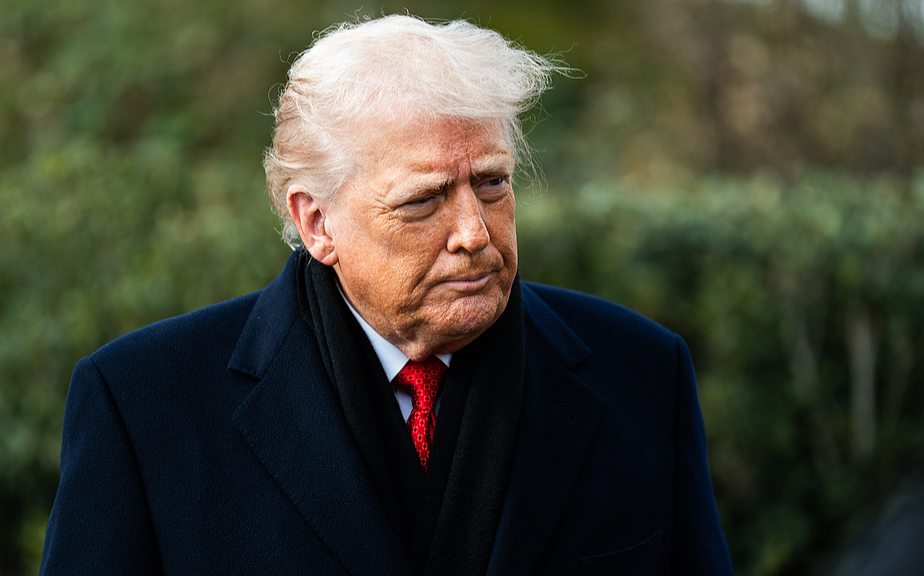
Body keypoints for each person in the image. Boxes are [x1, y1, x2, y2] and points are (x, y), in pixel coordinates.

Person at [39, 14, 734, 575]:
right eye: (423, 201)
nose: (473, 232)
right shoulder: (142, 403)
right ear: (317, 222)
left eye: (491, 183)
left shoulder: (642, 371)